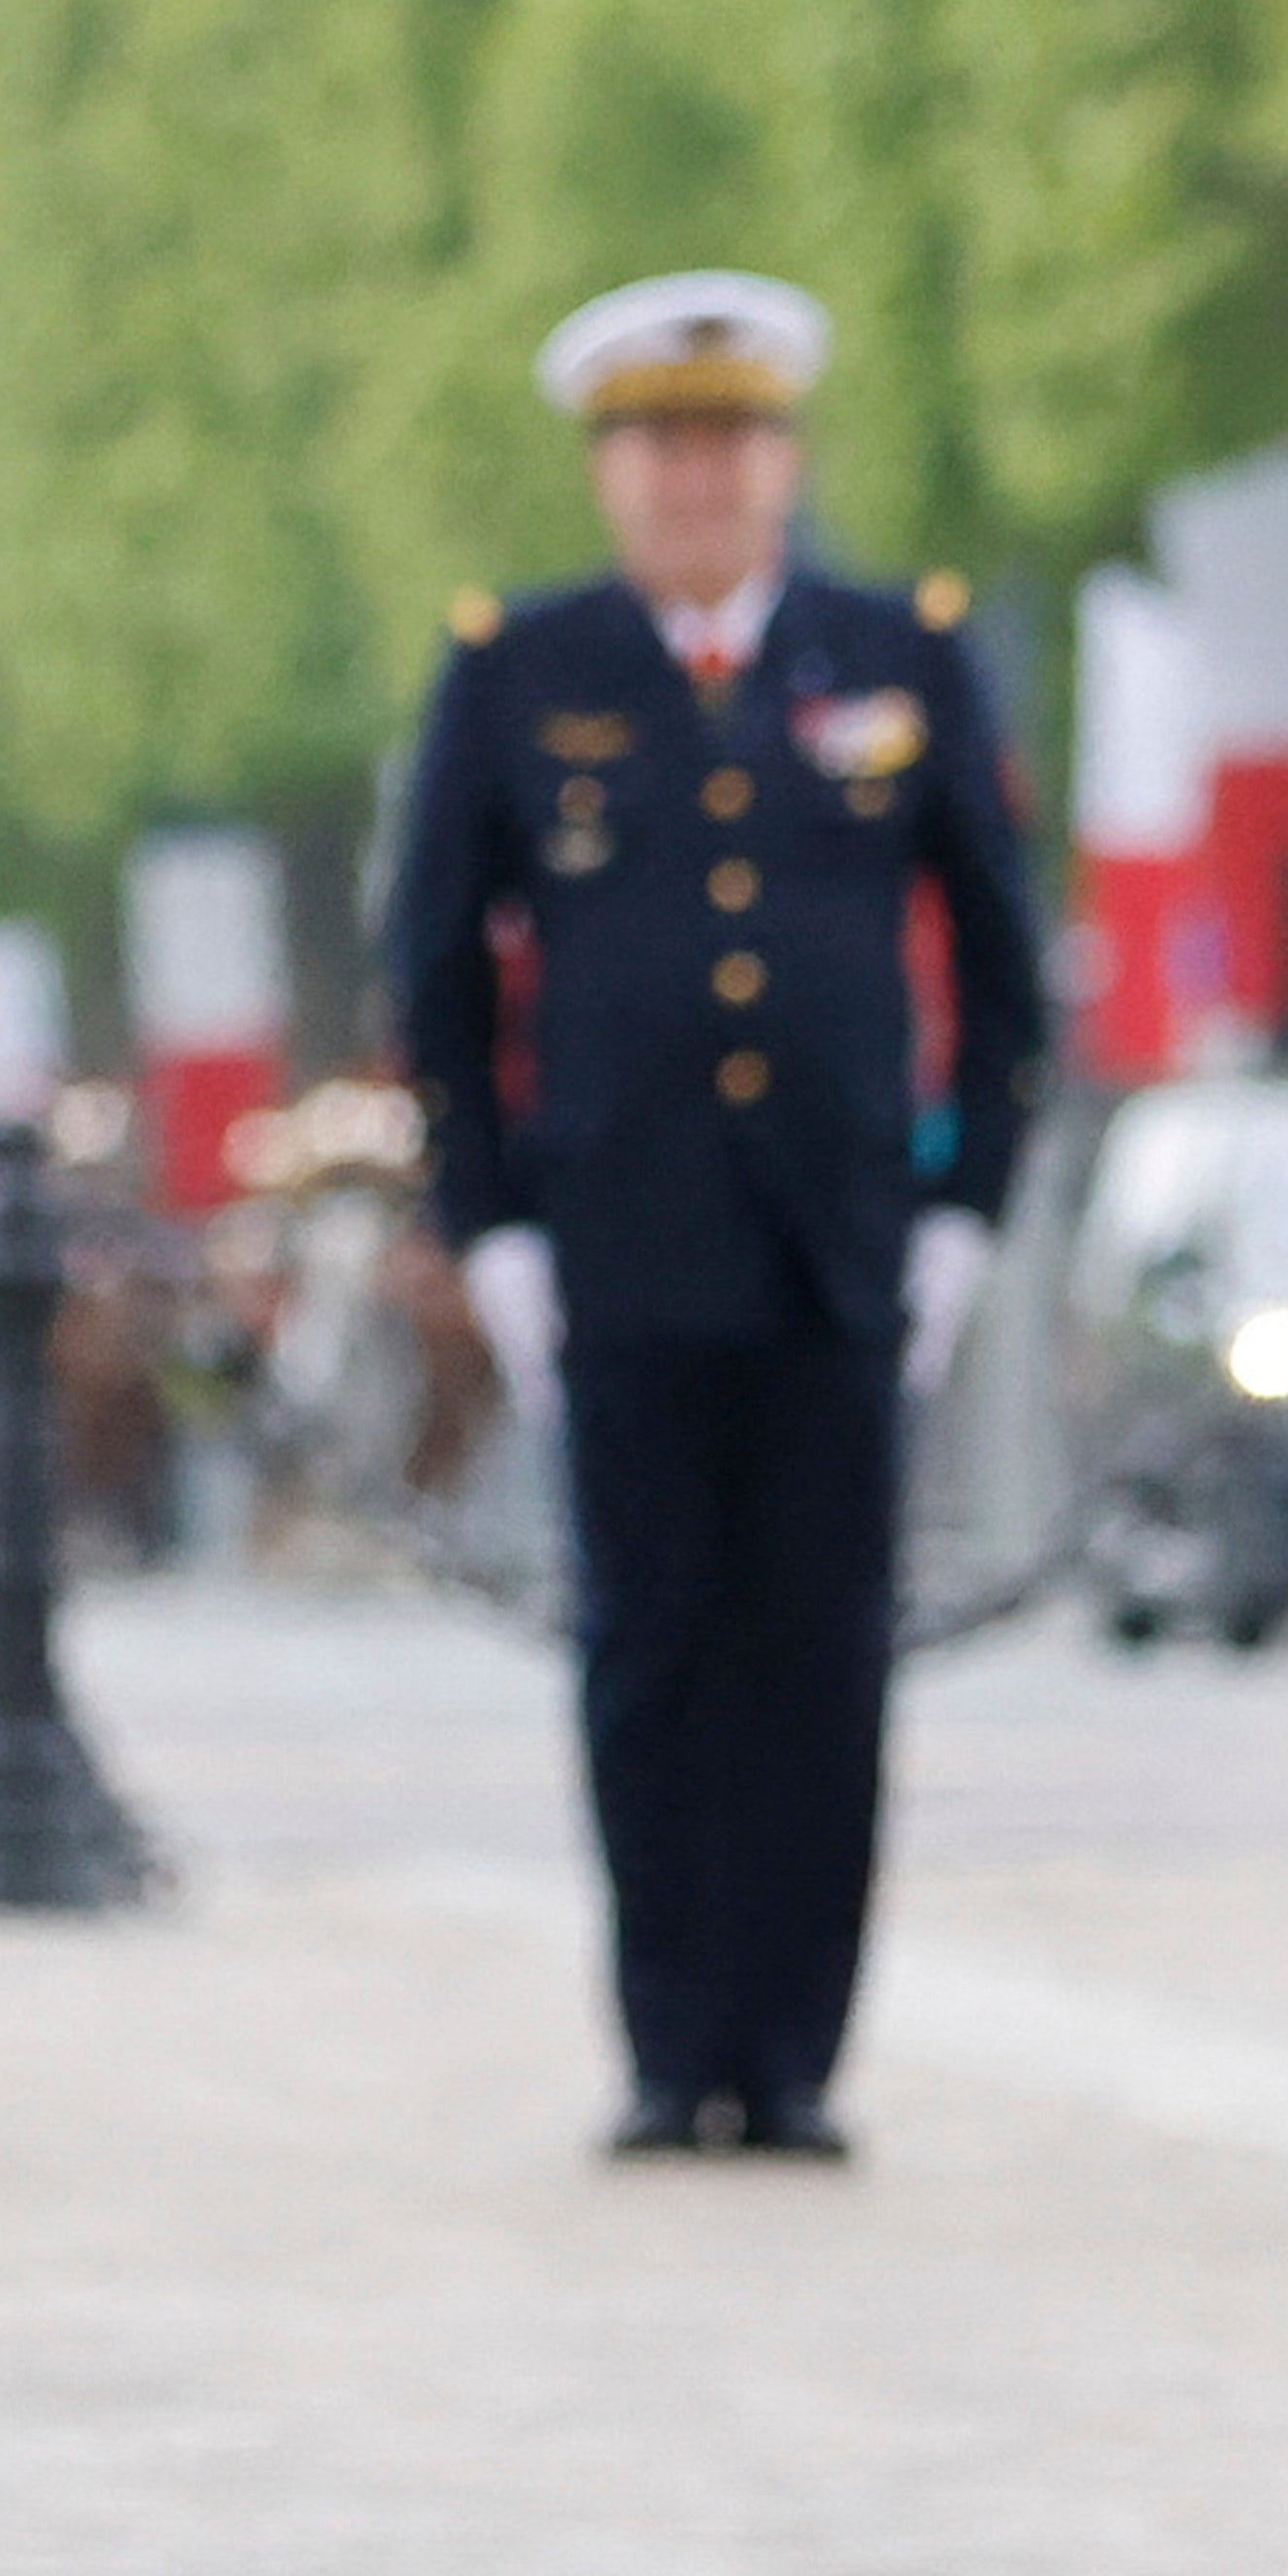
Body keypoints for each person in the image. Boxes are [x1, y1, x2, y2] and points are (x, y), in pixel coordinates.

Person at [386, 272, 1047, 2163]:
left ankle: (801, 2053)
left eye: (734, 443)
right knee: (654, 1648)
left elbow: (1005, 963)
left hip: (839, 1240)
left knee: (825, 1653)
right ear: (610, 473)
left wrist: (963, 1212)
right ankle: (676, 2049)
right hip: (623, 1238)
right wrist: (492, 1222)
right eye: (663, 448)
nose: (700, 480)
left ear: (786, 462)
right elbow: (435, 970)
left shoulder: (896, 655)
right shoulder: (524, 668)